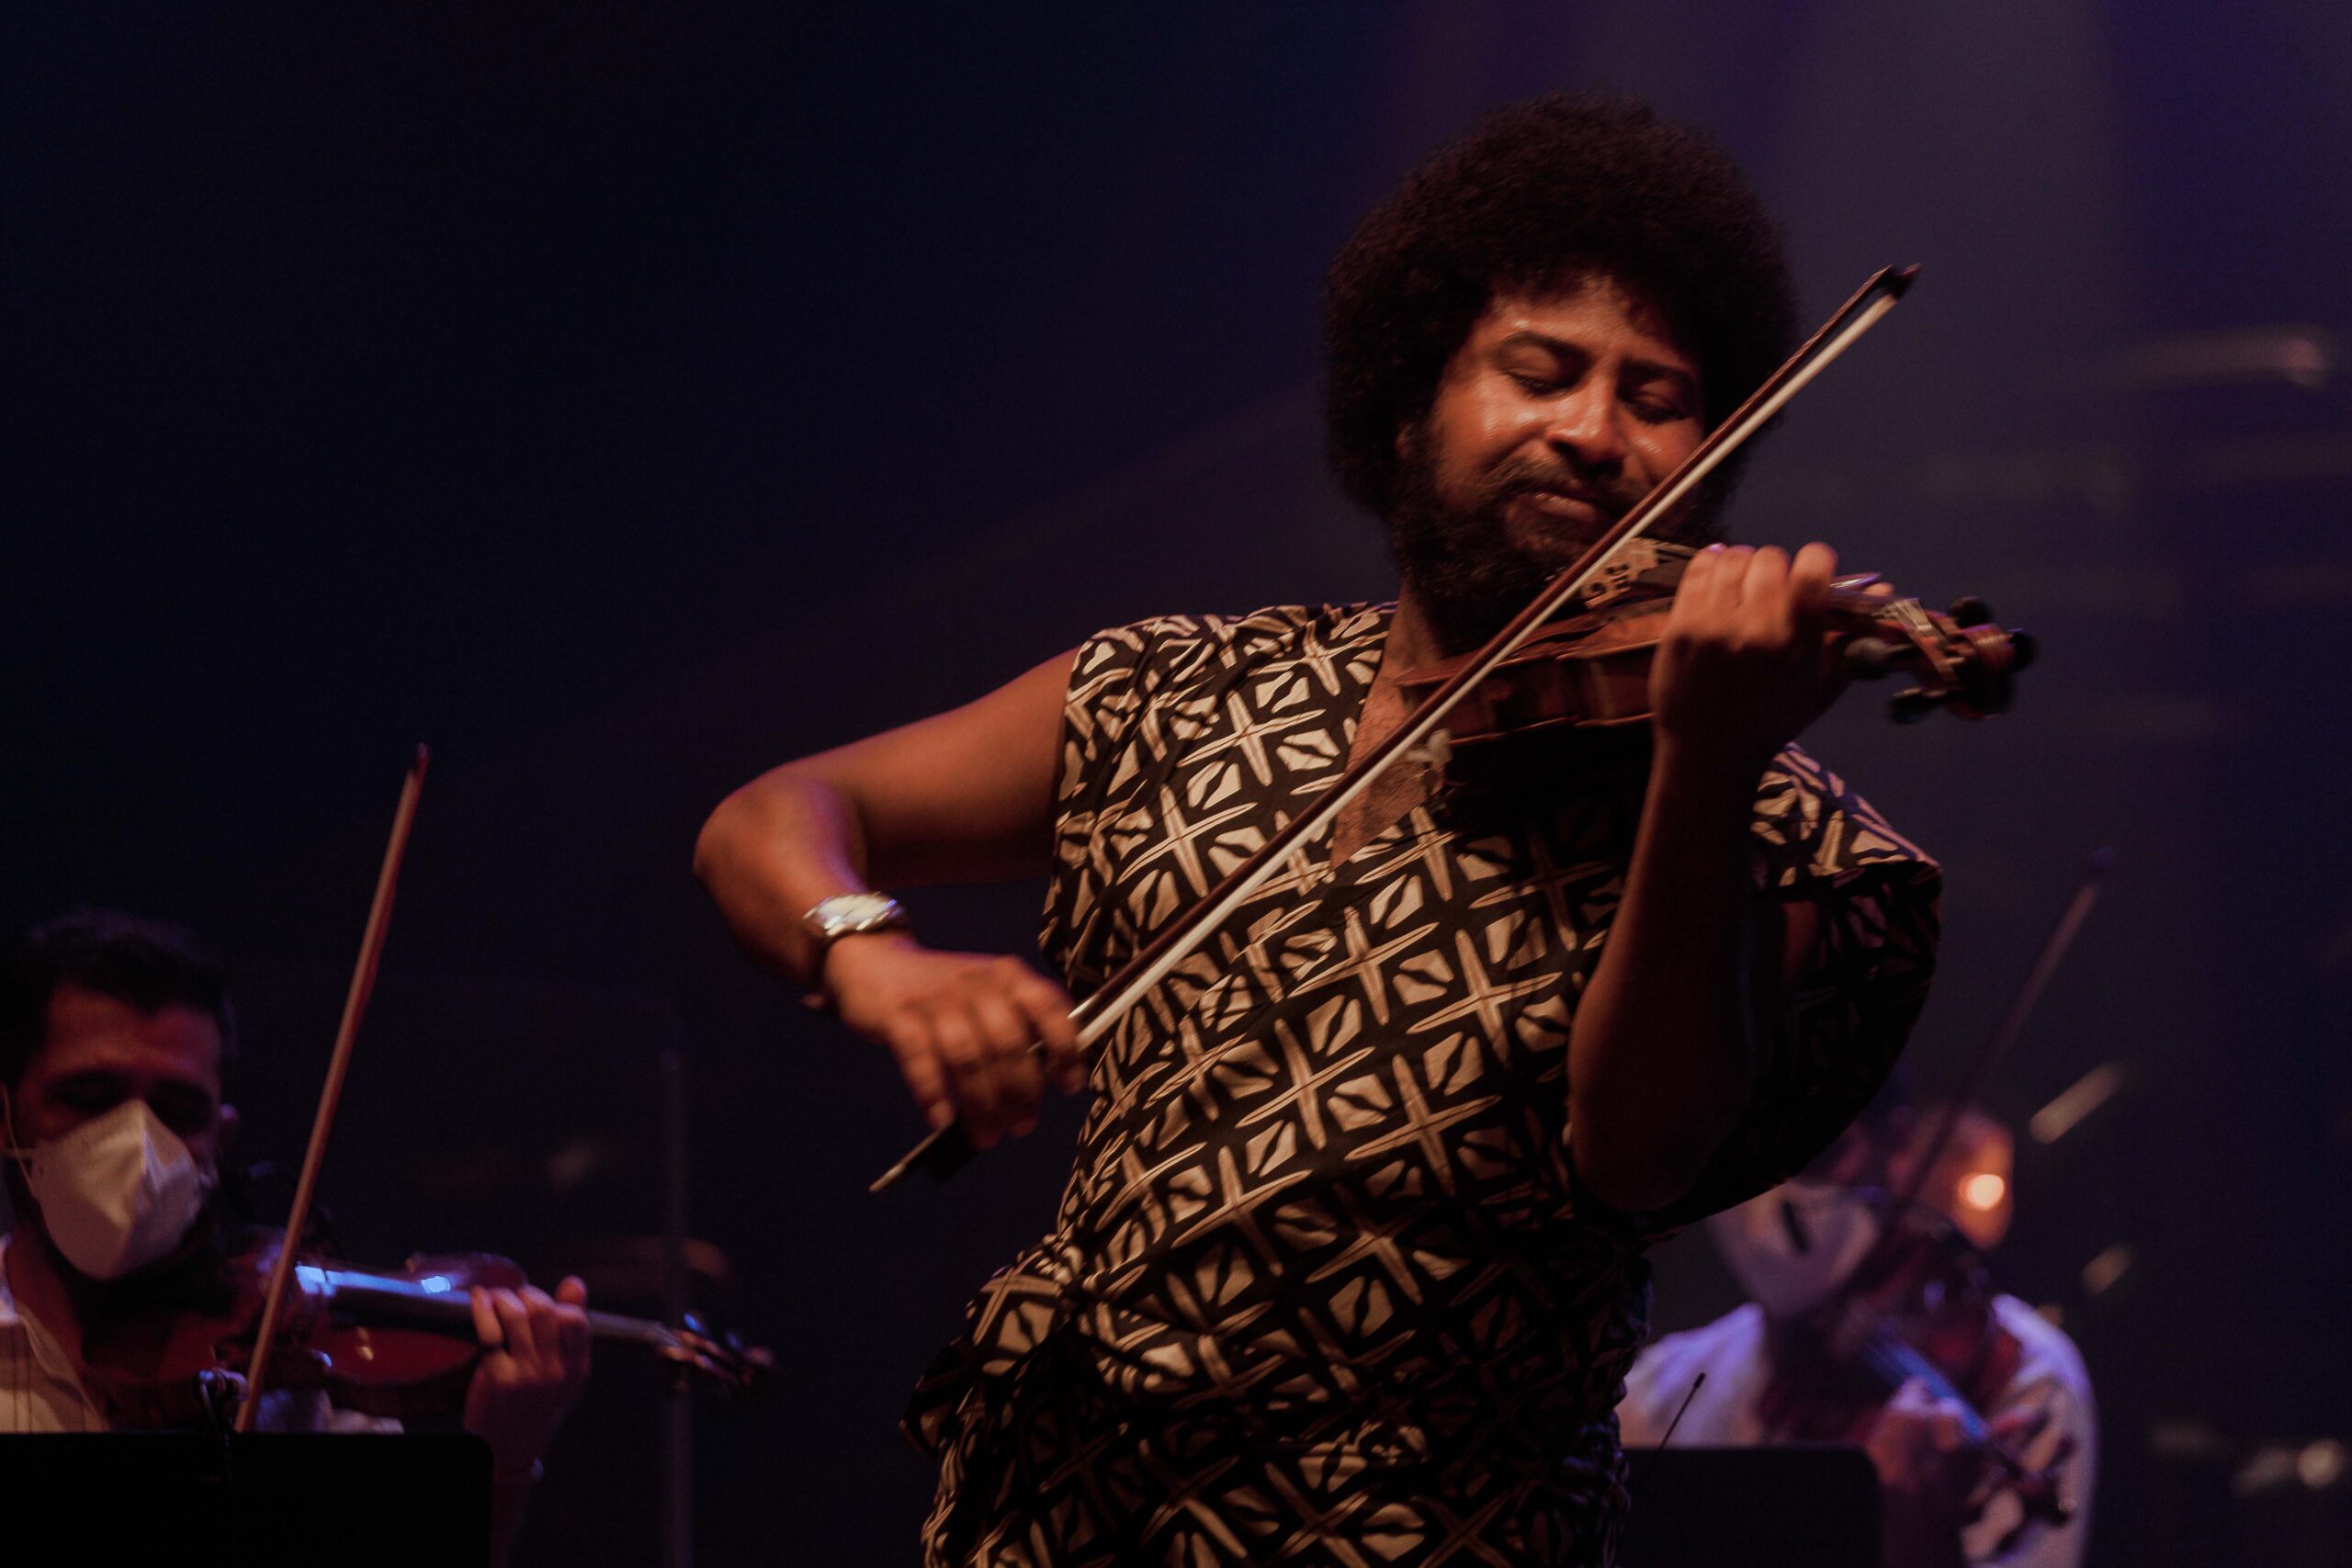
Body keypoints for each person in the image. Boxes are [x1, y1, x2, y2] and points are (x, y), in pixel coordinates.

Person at [696, 92, 1942, 1566]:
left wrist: (1705, 760)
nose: (1597, 431)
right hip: (1049, 1521)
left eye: (1658, 397)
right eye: (1541, 369)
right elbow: (769, 816)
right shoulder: (1175, 684)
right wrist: (877, 958)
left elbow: (1638, 1151)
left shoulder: (1774, 822)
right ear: (1412, 404)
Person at [0, 908, 593, 1567]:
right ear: (4, 1118)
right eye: (89, 1095)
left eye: (177, 1111)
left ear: (218, 1142)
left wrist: (501, 1462)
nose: (135, 1143)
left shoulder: (297, 1376)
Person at [1618, 1088, 2095, 1568]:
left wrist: (1921, 1546)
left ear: (1896, 1144)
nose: (1767, 1196)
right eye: (1736, 1162)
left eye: (1816, 1152)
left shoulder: (2027, 1372)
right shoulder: (1659, 1389)